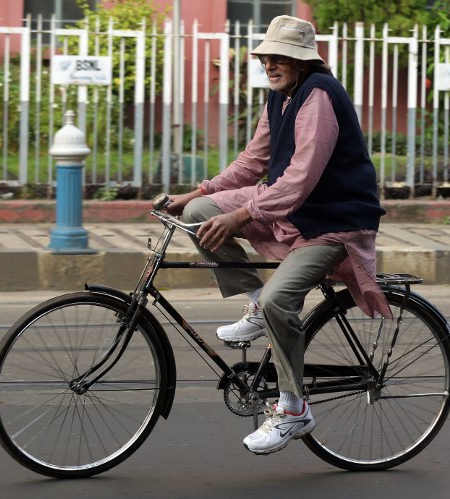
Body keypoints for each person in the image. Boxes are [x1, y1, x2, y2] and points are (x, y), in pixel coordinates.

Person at [164, 14, 391, 455]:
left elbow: (300, 179)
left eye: (280, 56)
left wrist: (242, 214)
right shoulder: (281, 98)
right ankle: (253, 304)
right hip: (296, 212)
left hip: (334, 223)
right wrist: (198, 191)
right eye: (266, 56)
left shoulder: (318, 98)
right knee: (198, 213)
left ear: (302, 61)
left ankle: (292, 408)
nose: (269, 62)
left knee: (278, 301)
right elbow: (253, 162)